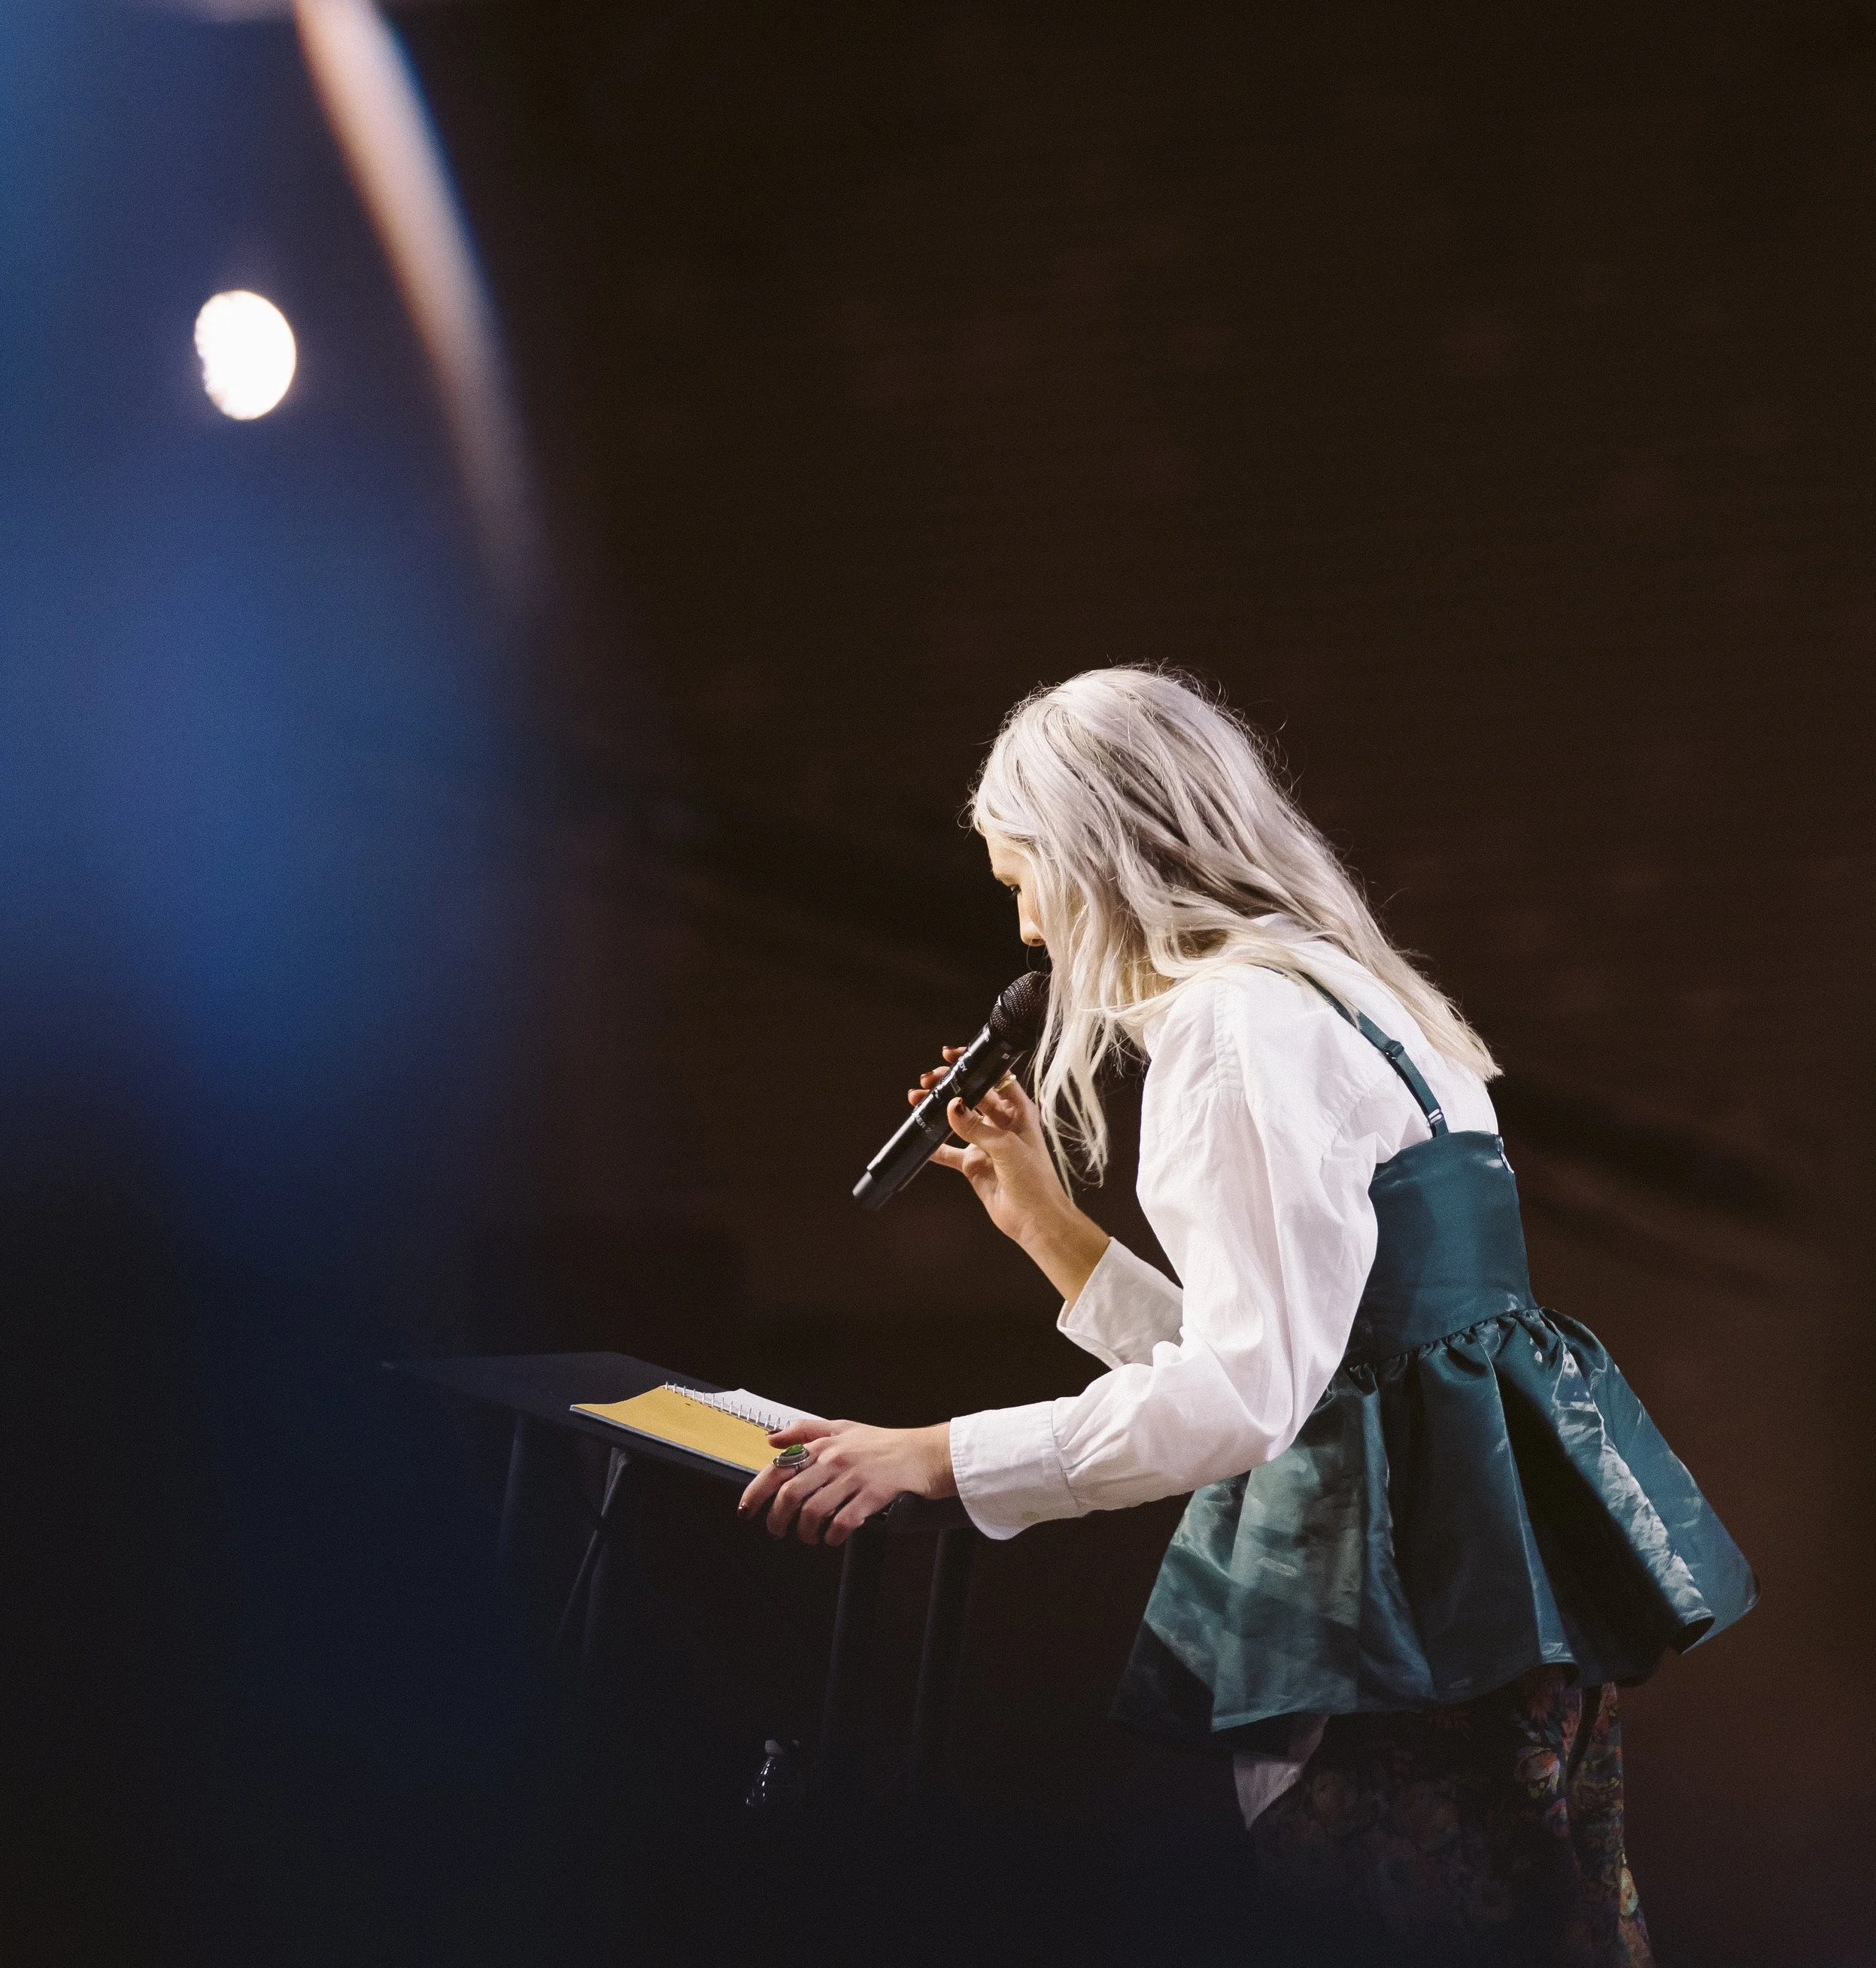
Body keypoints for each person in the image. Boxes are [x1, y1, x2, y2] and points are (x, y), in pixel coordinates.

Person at [739, 667, 1755, 1964]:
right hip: (1482, 1588)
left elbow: (1244, 1396)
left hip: (1397, 1620)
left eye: (1021, 883)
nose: (1032, 934)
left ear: (1094, 856)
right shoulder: (1361, 994)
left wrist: (933, 1450)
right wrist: (1049, 1227)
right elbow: (1319, 1361)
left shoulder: (1232, 1028)